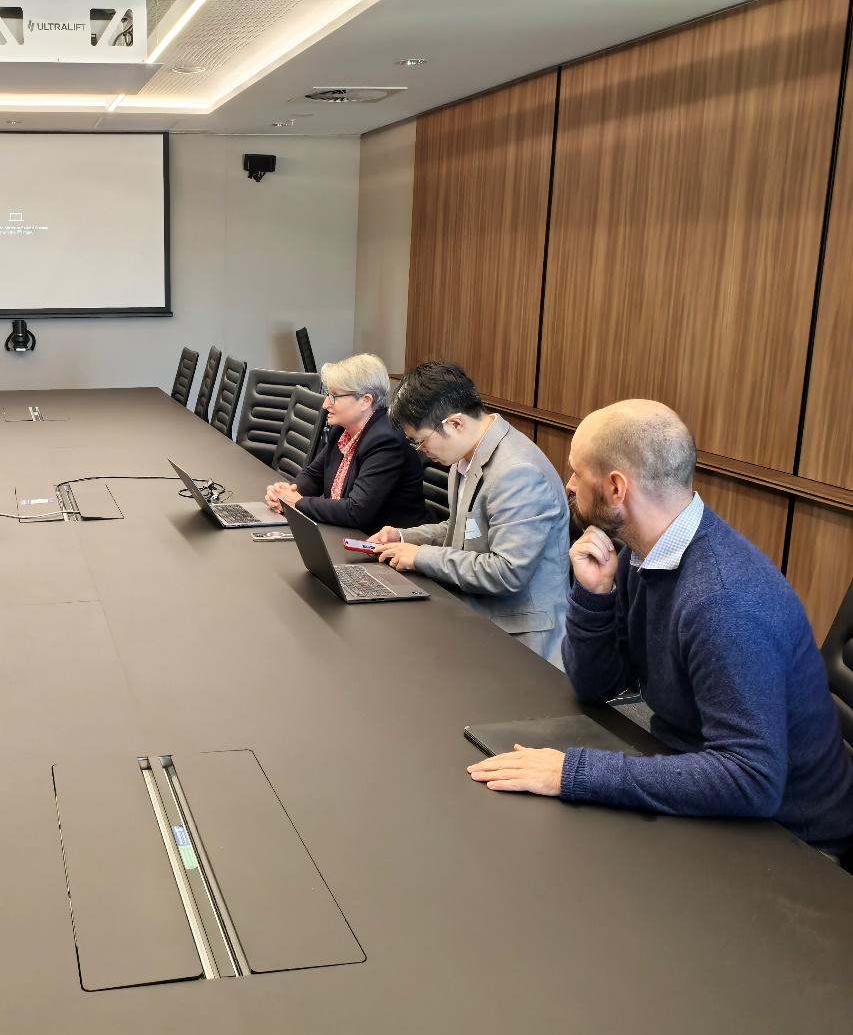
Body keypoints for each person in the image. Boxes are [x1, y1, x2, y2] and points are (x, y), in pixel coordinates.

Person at [467, 399, 853, 852]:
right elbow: (595, 686)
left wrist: (573, 773)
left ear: (616, 488)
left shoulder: (723, 601)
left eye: (577, 472)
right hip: (691, 770)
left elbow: (752, 779)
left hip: (790, 839)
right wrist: (595, 596)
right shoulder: (643, 553)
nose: (568, 484)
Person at [371, 362, 570, 666]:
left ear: (455, 424)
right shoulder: (467, 455)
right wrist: (403, 537)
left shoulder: (517, 472)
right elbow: (463, 527)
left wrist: (421, 556)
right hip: (476, 611)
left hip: (520, 636)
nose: (420, 451)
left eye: (420, 441)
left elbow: (507, 572)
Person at [263, 353, 425, 535]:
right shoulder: (343, 429)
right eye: (327, 394)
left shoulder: (386, 440)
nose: (325, 404)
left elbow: (356, 510)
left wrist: (297, 502)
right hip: (345, 532)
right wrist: (288, 493)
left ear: (365, 400)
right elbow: (314, 475)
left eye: (334, 396)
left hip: (382, 542)